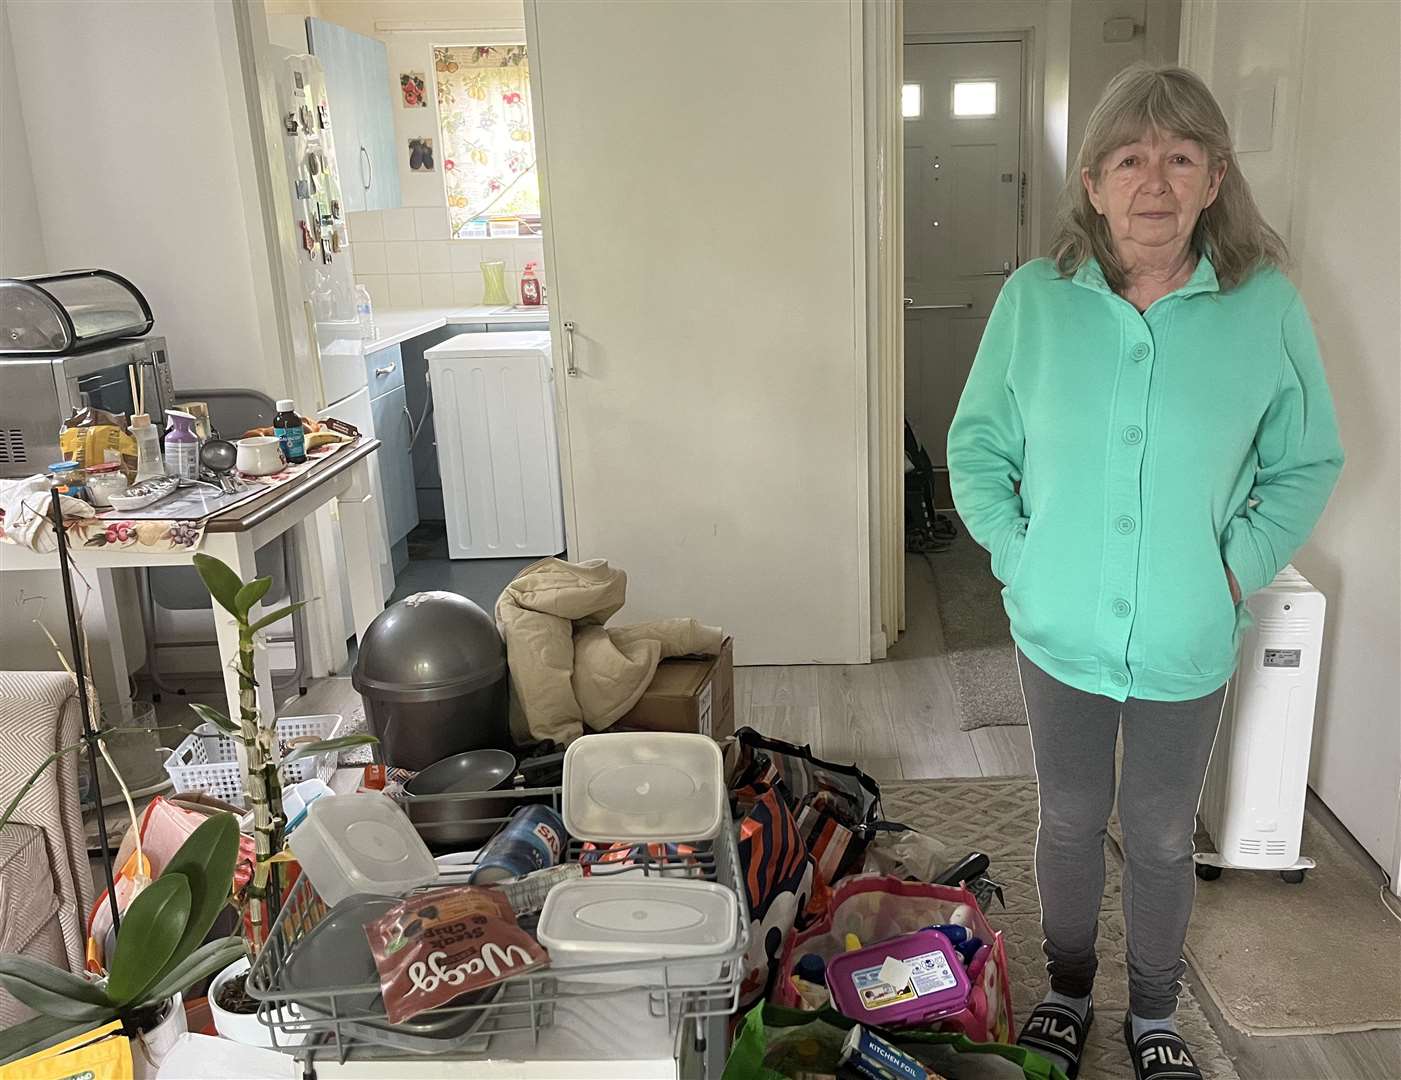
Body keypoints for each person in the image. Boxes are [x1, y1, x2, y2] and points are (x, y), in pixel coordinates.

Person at [947, 63, 1343, 1080]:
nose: (1153, 181)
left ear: (1216, 177)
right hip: (1058, 628)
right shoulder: (1036, 300)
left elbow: (1307, 461)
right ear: (1092, 180)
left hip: (1184, 633)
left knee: (1164, 835)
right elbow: (979, 447)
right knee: (1071, 817)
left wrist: (1233, 569)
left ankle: (1155, 1009)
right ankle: (1071, 988)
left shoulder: (1264, 308)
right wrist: (1020, 555)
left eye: (1179, 157)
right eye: (1130, 157)